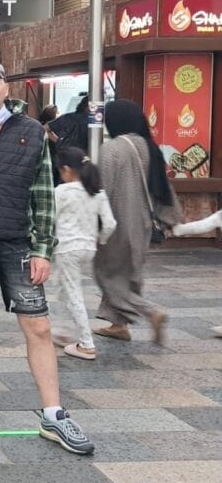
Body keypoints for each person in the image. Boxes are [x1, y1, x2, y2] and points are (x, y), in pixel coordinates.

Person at [0, 60, 94, 455]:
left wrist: (43, 249)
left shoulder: (31, 131)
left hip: (19, 242)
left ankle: (54, 413)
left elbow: (43, 193)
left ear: (5, 88)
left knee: (39, 326)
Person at [93, 99, 182, 344]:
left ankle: (151, 310)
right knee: (128, 274)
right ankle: (119, 325)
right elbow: (162, 187)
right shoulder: (149, 146)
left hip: (116, 224)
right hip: (142, 224)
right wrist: (170, 218)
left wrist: (94, 223)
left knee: (107, 274)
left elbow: (102, 190)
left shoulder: (110, 149)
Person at [48, 146, 117, 360]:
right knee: (64, 288)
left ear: (66, 169)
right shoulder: (97, 192)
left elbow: (50, 219)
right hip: (88, 248)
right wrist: (101, 239)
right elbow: (110, 223)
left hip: (67, 248)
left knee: (73, 293)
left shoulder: (62, 192)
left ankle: (86, 344)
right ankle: (61, 330)